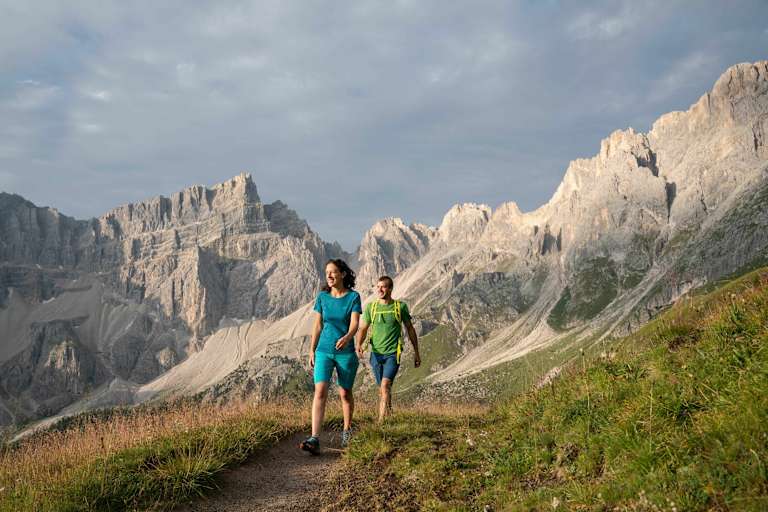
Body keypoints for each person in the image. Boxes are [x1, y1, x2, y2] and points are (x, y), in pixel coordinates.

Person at [300, 259, 362, 453]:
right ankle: (314, 438)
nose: (329, 275)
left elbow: (355, 324)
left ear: (343, 274)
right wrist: (312, 349)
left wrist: (348, 337)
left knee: (345, 393)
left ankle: (347, 430)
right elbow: (317, 325)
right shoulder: (322, 297)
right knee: (320, 392)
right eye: (327, 272)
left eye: (333, 272)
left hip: (346, 352)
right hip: (324, 351)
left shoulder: (353, 297)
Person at [356, 275, 421, 423]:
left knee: (385, 385)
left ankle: (380, 422)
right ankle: (389, 414)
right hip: (376, 355)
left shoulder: (400, 307)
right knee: (383, 389)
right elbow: (363, 328)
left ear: (390, 289)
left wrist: (417, 353)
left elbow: (410, 329)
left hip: (393, 354)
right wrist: (358, 345)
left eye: (383, 287)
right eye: (377, 287)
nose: (379, 289)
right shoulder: (371, 308)